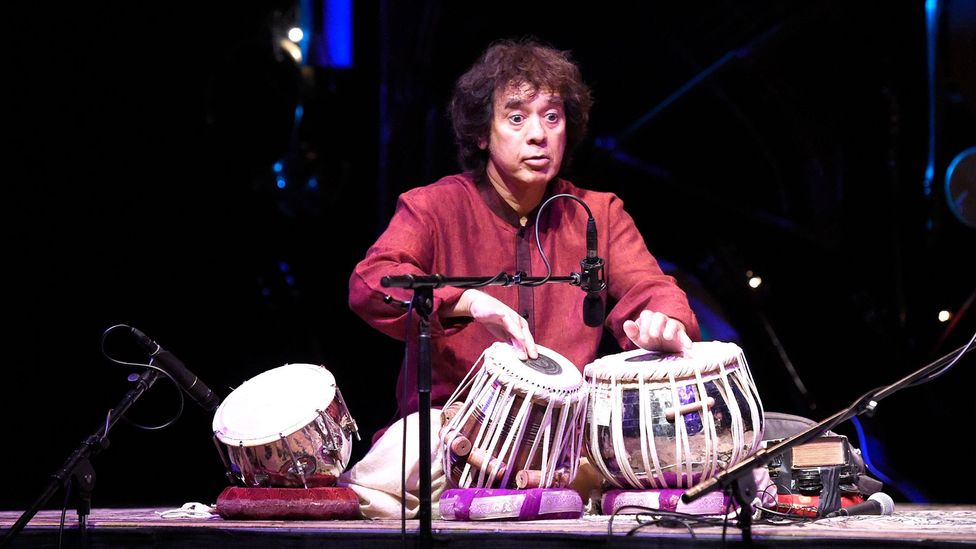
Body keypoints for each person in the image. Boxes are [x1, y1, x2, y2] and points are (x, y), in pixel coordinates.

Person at [338, 37, 701, 519]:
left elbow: (650, 288)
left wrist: (664, 321)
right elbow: (372, 282)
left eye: (552, 117)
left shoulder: (599, 215)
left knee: (687, 477)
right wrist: (468, 301)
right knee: (367, 493)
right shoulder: (434, 207)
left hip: (569, 442)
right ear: (482, 133)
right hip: (455, 434)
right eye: (516, 117)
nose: (539, 134)